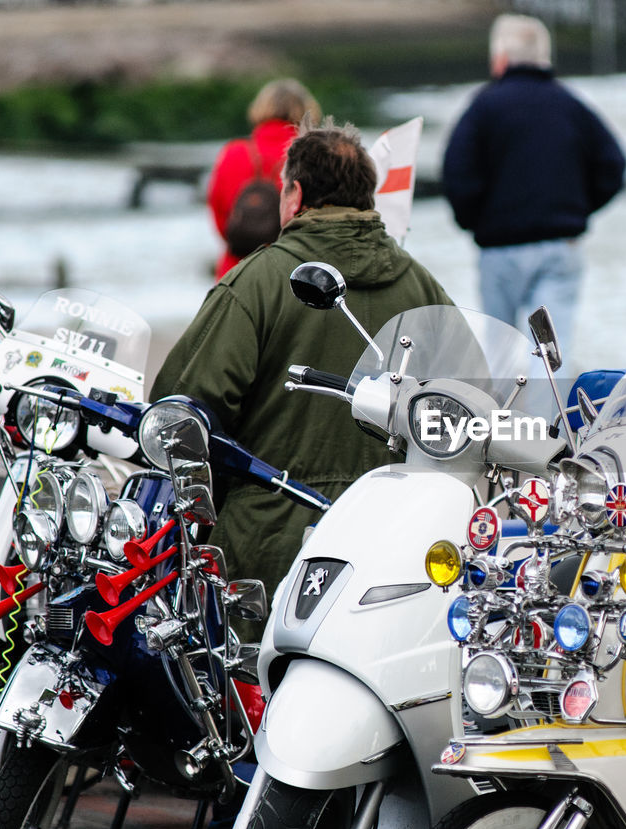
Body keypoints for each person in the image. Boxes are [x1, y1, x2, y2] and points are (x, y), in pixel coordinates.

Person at [154, 117, 453, 604]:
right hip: (391, 543)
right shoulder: (424, 287)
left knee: (247, 679)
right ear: (368, 197)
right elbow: (470, 406)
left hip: (266, 550)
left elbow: (179, 406)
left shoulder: (256, 281)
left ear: (293, 194)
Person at [442, 13, 626, 359]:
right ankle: (547, 415)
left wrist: (475, 221)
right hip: (560, 245)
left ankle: (496, 414)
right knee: (553, 353)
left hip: (499, 249)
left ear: (500, 58)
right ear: (545, 57)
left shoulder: (482, 107)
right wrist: (577, 209)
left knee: (497, 350)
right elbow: (614, 166)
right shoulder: (571, 105)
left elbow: (457, 173)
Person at [205, 78, 321, 280]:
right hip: (295, 271)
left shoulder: (234, 152)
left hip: (236, 270)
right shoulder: (313, 154)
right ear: (306, 110)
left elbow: (219, 212)